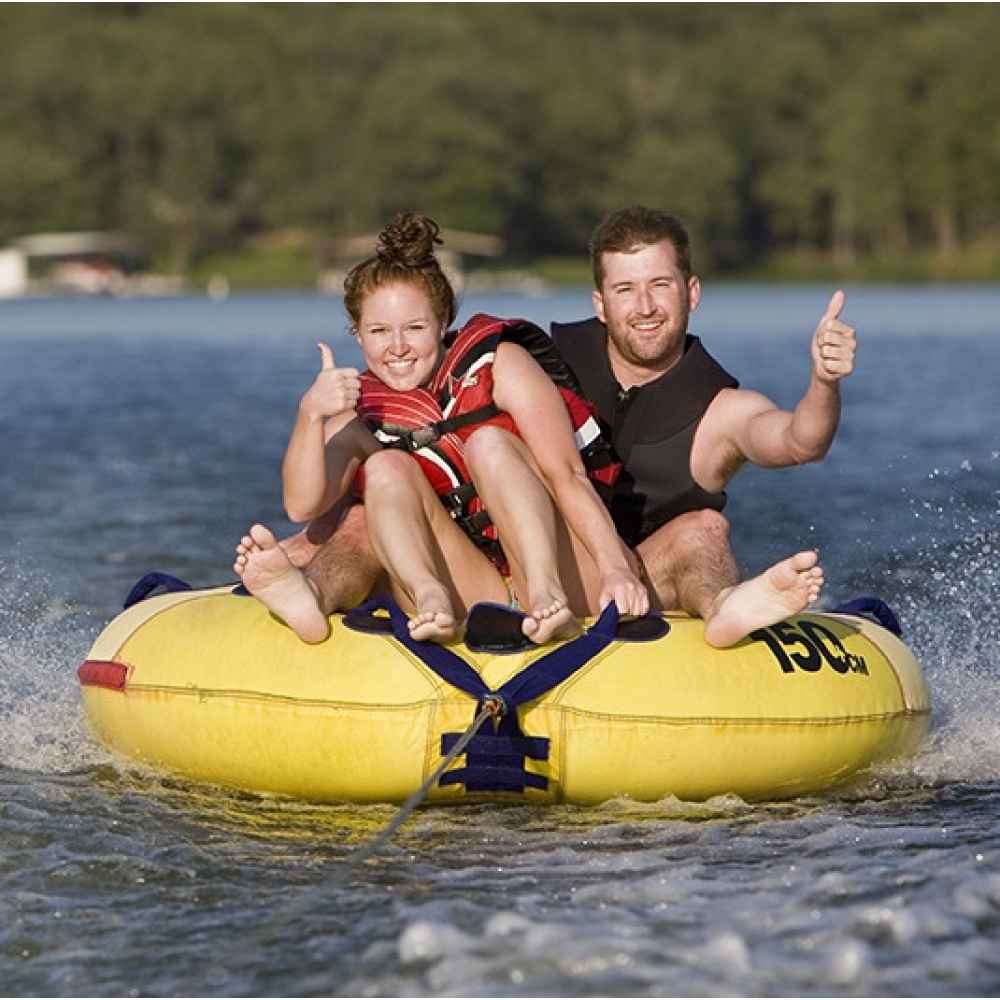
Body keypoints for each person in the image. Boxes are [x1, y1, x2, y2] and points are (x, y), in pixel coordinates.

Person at [235, 213, 648, 646]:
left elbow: (569, 476)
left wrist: (616, 569)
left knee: (488, 442)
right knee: (385, 468)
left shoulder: (501, 364)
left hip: (567, 572)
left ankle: (547, 596)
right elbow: (302, 505)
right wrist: (310, 413)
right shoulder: (358, 410)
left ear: (443, 319)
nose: (397, 347)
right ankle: (431, 597)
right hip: (474, 583)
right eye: (379, 331)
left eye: (414, 328)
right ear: (357, 334)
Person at [550, 205, 852, 646]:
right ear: (601, 303)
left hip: (643, 581)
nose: (645, 307)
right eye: (625, 290)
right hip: (537, 574)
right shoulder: (546, 367)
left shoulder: (721, 411)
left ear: (691, 292)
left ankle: (724, 609)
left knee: (703, 530)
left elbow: (800, 441)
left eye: (660, 285)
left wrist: (824, 381)